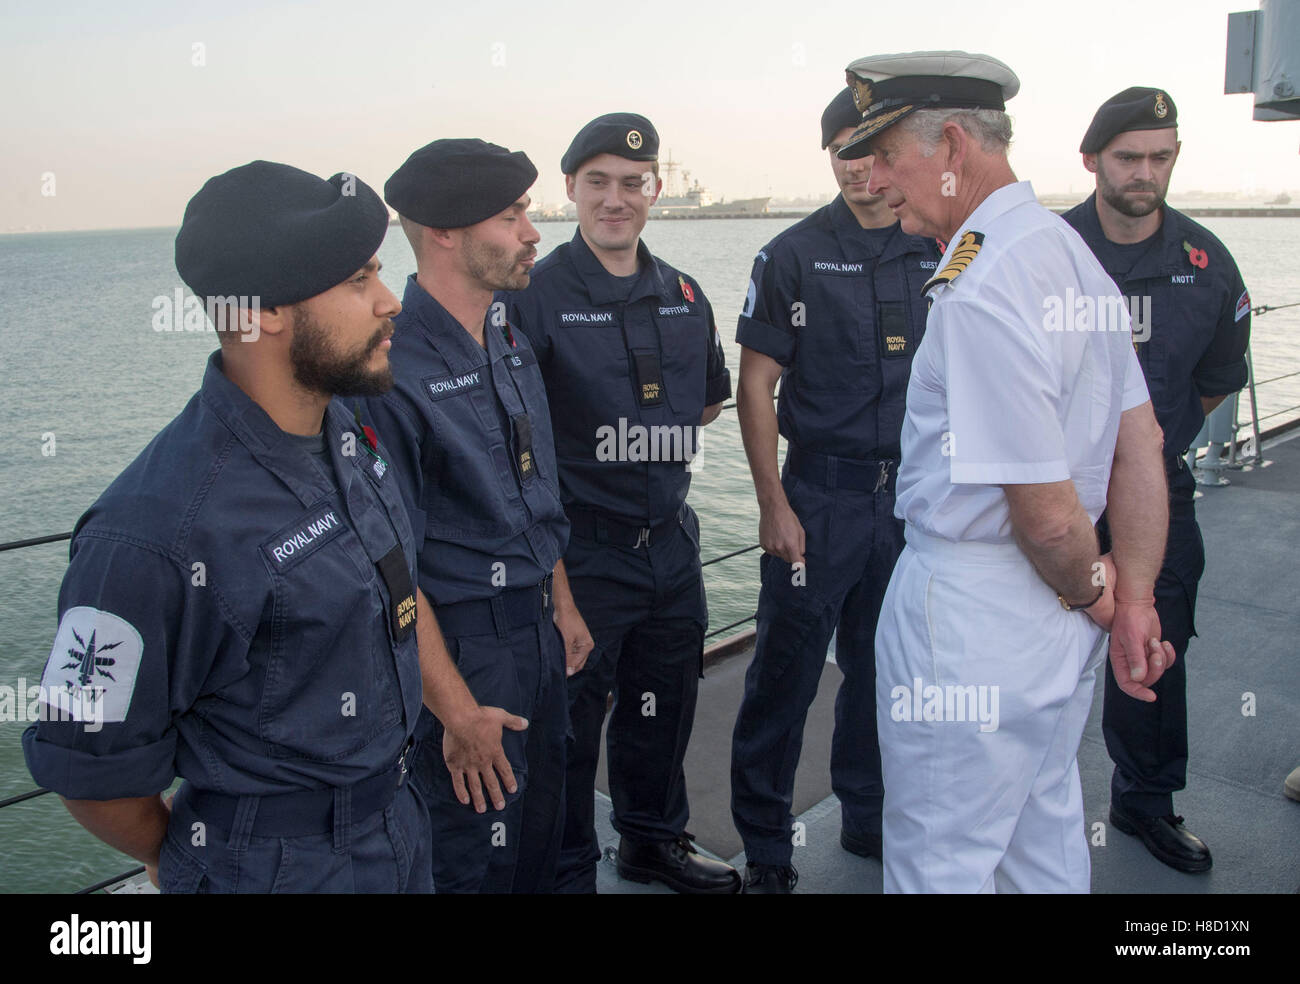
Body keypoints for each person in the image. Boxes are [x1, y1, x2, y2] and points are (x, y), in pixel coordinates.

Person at [23, 160, 446, 892]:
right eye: (356, 281)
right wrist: (207, 866)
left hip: (398, 824)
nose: (388, 301)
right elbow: (92, 774)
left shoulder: (343, 432)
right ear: (268, 310)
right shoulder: (150, 534)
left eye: (378, 271)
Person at [839, 51, 1178, 893]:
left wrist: (1096, 591)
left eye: (887, 154)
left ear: (953, 145)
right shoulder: (1063, 250)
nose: (874, 178)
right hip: (1054, 625)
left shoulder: (983, 281)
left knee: (940, 860)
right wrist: (1132, 597)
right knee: (1041, 840)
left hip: (978, 618)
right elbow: (1140, 439)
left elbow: (1051, 519)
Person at [508, 113, 737, 893]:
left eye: (632, 184)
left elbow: (709, 404)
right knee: (567, 729)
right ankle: (568, 869)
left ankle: (650, 842)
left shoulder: (684, 292)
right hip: (581, 555)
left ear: (655, 190)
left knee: (661, 709)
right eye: (598, 182)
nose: (617, 199)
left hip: (670, 543)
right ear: (569, 189)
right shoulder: (531, 298)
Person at [729, 88, 940, 894]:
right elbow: (756, 386)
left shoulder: (942, 245)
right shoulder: (792, 254)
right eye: (842, 152)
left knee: (885, 669)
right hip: (820, 496)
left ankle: (866, 814)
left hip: (914, 500)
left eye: (872, 150)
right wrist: (771, 505)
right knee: (783, 675)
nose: (859, 167)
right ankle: (768, 851)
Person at [366, 139, 589, 893]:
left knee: (540, 836)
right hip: (461, 650)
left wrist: (561, 603)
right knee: (470, 858)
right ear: (444, 234)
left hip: (537, 637)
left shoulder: (509, 339)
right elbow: (389, 567)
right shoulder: (390, 373)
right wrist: (457, 713)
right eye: (511, 214)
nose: (532, 232)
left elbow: (535, 492)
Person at [1063, 88, 1252, 874]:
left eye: (1161, 156)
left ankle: (1144, 802)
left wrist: (1146, 452)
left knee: (1154, 645)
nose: (1145, 172)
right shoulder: (1046, 251)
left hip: (1157, 495)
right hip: (1056, 494)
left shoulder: (1206, 264)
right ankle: (1006, 802)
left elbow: (1213, 382)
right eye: (1128, 157)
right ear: (1092, 160)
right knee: (1023, 652)